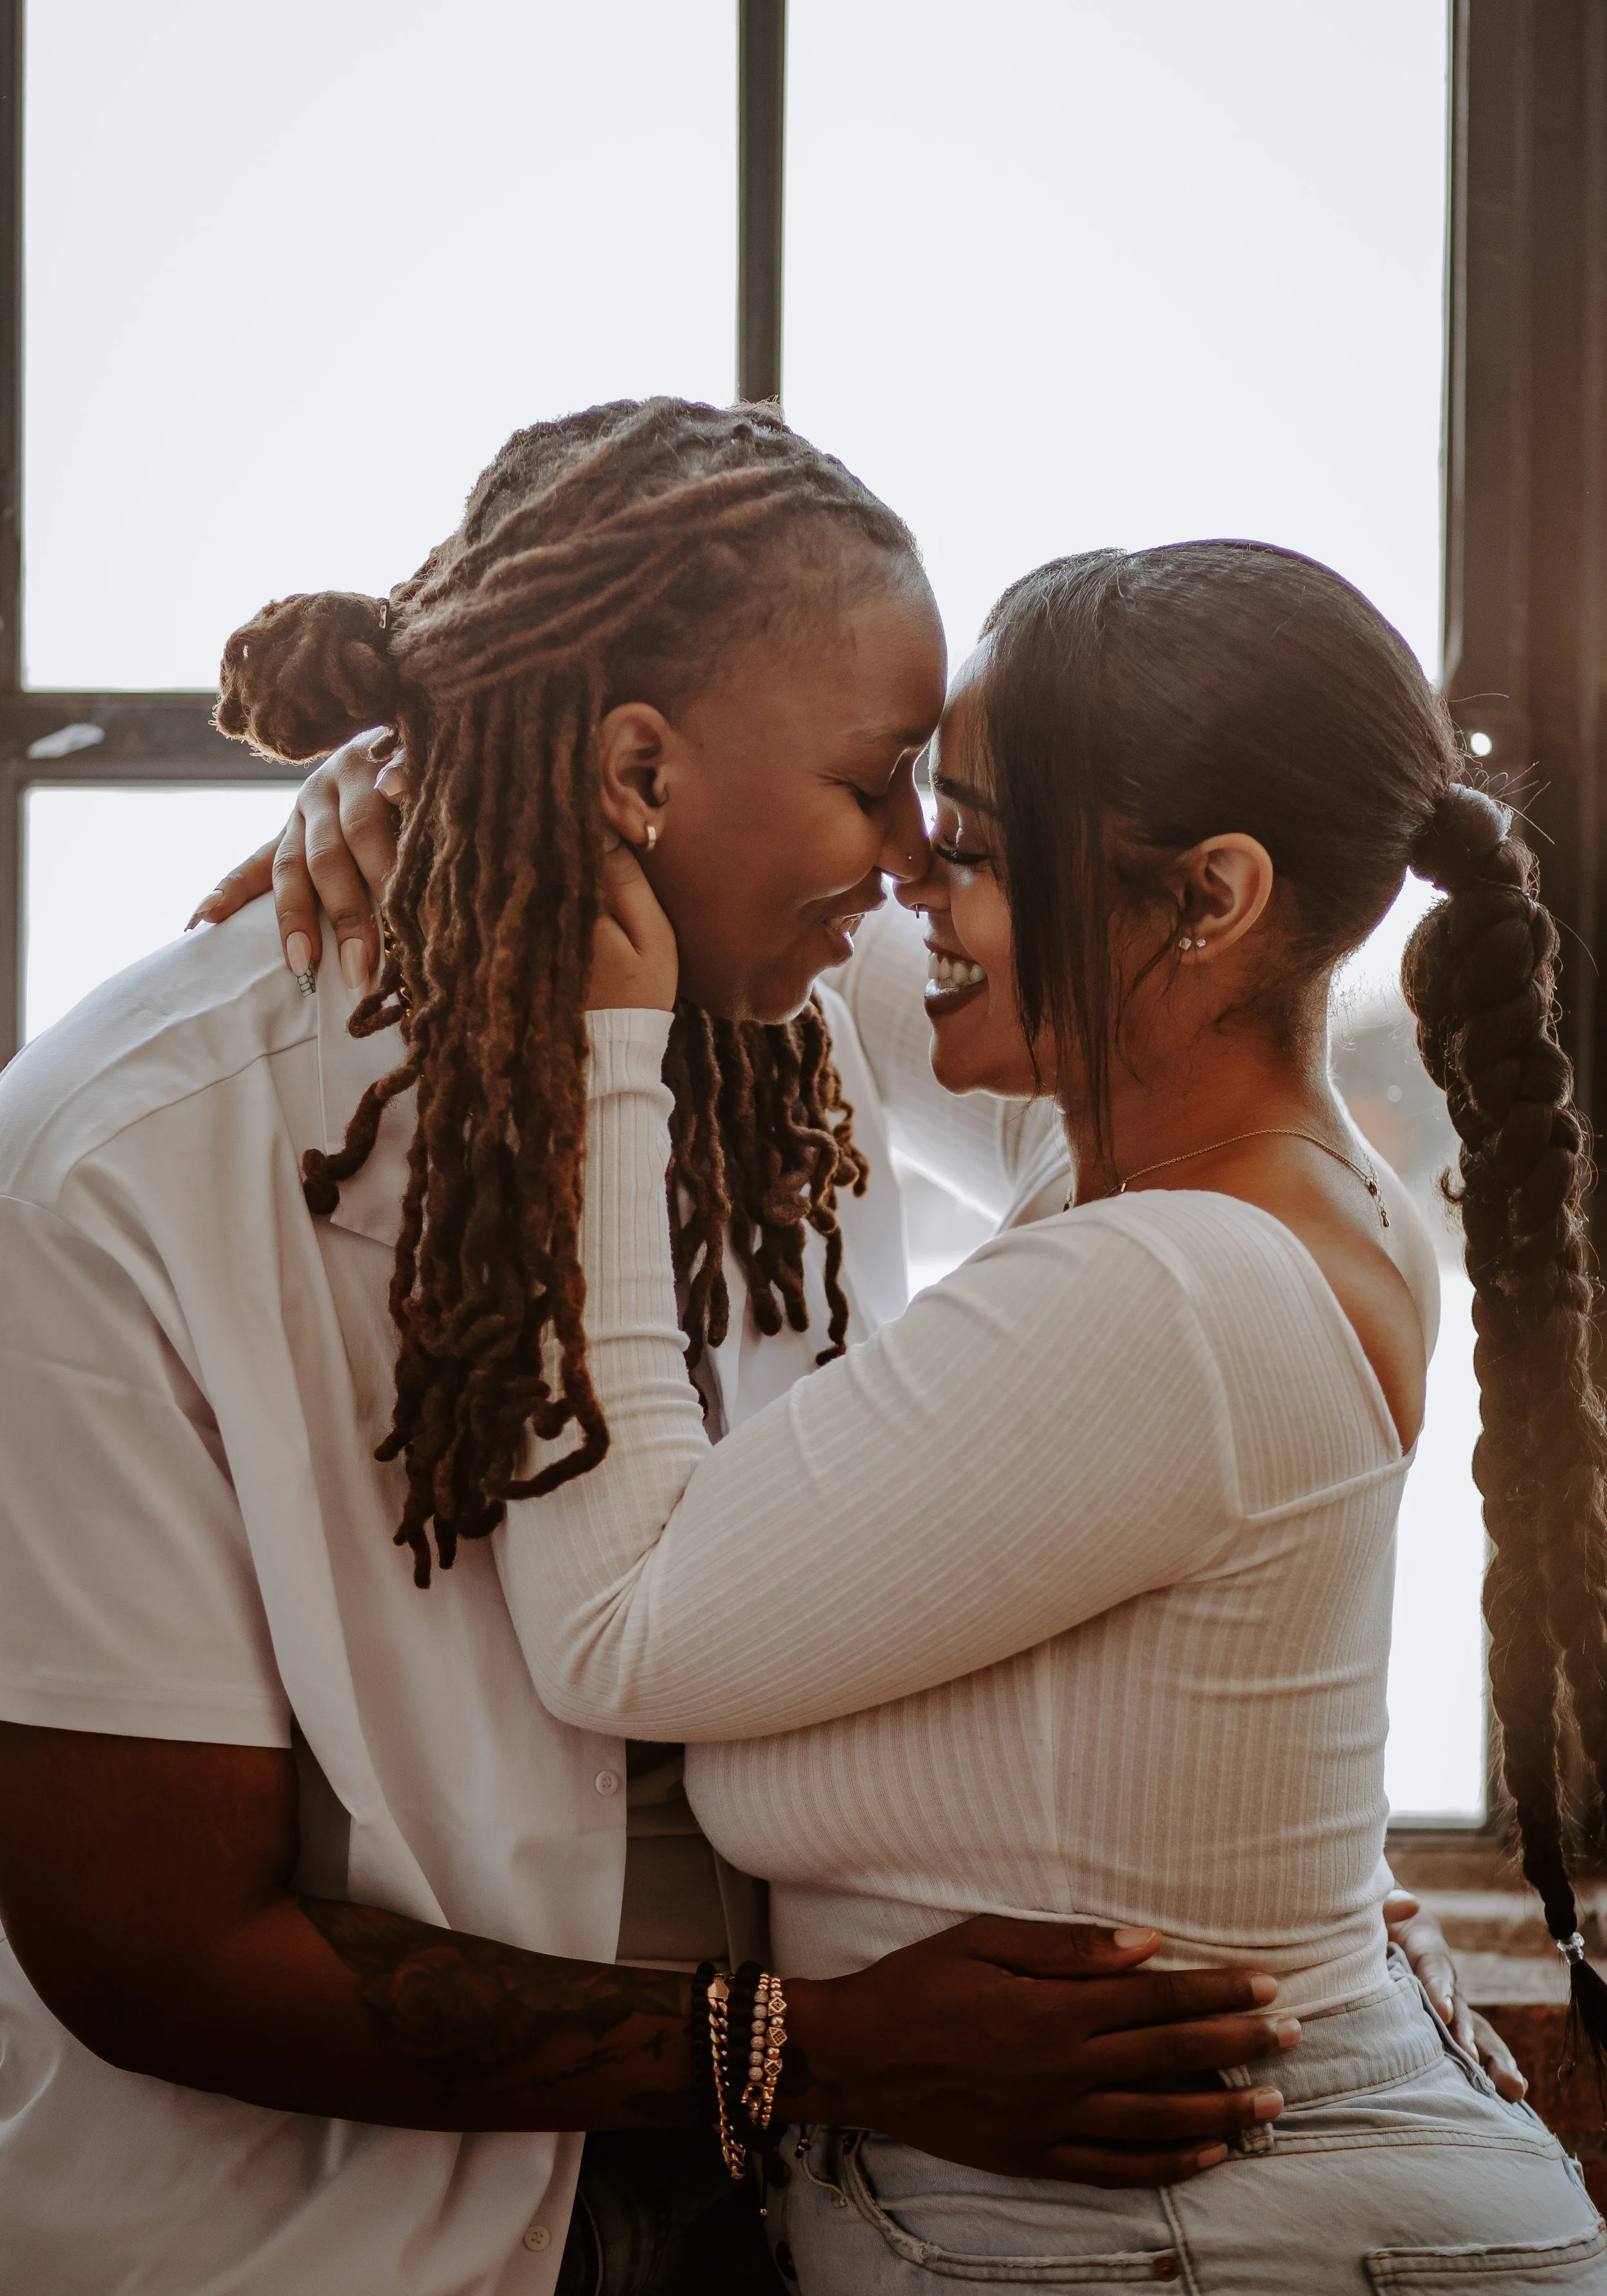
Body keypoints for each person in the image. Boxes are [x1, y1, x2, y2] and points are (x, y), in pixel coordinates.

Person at [0, 402, 1302, 2296]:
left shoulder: (804, 991)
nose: (911, 854)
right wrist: (817, 2052)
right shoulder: (118, 1162)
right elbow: (150, 1951)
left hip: (816, 2210)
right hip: (315, 2248)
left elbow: (1216, 1100)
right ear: (631, 770)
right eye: (874, 785)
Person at [372, 538, 1603, 2287]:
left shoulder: (1169, 1291)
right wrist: (454, 791)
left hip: (1215, 2243)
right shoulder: (1208, 1176)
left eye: (957, 849)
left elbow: (616, 1629)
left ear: (1209, 898)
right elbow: (802, 937)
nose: (897, 889)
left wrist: (597, 1055)